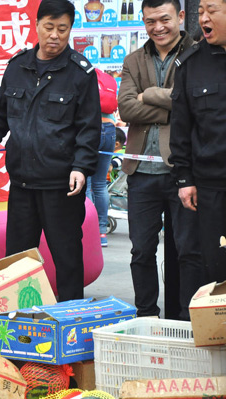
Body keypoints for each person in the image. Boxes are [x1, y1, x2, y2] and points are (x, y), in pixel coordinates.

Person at [0, 0, 100, 301]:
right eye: (49, 27)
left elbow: (89, 127)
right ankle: (17, 322)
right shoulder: (17, 66)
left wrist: (80, 167)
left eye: (63, 29)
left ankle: (72, 323)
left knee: (68, 259)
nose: (55, 35)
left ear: (70, 30)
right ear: (36, 26)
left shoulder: (80, 73)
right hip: (22, 183)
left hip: (62, 185)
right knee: (17, 263)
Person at [118, 0, 204, 320]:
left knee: (187, 252)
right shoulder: (133, 60)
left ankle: (186, 319)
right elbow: (126, 108)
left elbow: (193, 103)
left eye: (164, 19)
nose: (158, 27)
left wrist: (149, 94)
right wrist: (172, 102)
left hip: (182, 170)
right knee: (141, 251)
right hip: (140, 171)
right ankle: (146, 316)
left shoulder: (197, 55)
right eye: (150, 21)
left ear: (180, 17)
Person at [170, 0, 226, 285]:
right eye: (201, 10)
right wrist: (184, 179)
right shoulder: (191, 63)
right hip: (211, 186)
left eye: (211, 10)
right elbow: (181, 128)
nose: (203, 17)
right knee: (216, 267)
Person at [86, 69, 118, 247]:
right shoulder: (107, 80)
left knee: (87, 184)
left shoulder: (83, 76)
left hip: (91, 130)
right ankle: (102, 233)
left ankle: (89, 232)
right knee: (100, 185)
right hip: (110, 130)